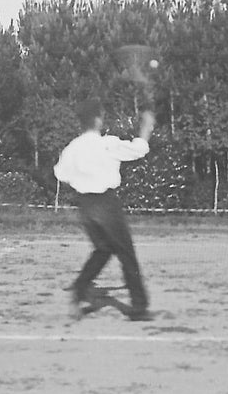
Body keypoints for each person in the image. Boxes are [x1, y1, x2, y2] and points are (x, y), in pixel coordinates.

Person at [54, 100, 155, 321]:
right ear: (98, 120)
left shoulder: (73, 147)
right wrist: (146, 128)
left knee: (103, 250)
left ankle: (78, 291)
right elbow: (138, 150)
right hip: (105, 203)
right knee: (126, 254)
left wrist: (83, 179)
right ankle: (139, 307)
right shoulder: (107, 143)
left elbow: (60, 174)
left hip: (85, 205)